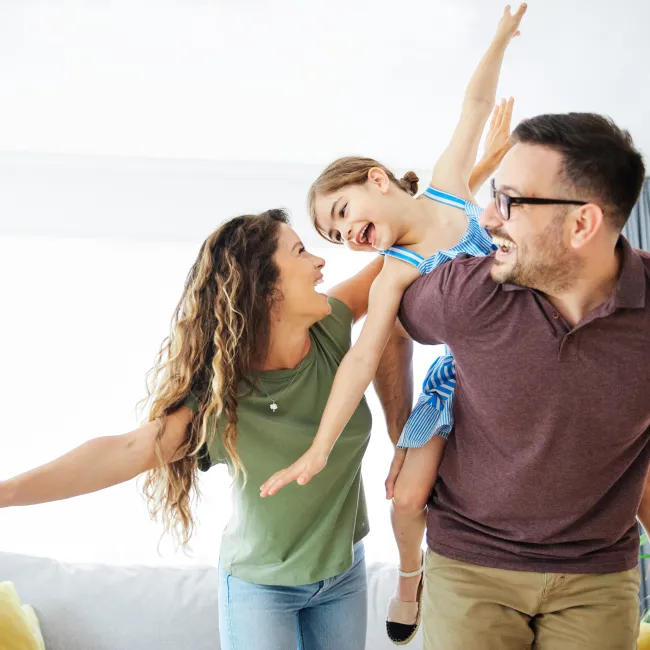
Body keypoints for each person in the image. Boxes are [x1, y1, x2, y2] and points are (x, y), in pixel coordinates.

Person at [260, 4, 526, 645]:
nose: (346, 233)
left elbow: (472, 103)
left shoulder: (450, 189)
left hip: (517, 364)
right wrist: (320, 449)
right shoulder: (394, 273)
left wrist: (498, 38)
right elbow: (361, 357)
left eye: (344, 211)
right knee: (406, 497)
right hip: (454, 382)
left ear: (377, 180)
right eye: (333, 233)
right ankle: (412, 576)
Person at [394, 111, 649, 649]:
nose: (488, 218)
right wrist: (405, 431)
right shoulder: (465, 293)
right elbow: (384, 320)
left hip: (598, 578)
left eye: (510, 200)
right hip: (470, 567)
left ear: (583, 223)